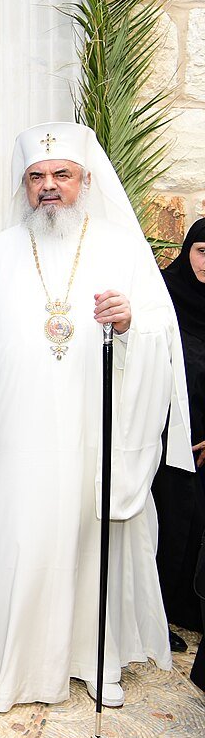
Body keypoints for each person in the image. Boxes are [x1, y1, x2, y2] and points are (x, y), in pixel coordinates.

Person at [0, 122, 193, 711]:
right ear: (23, 185)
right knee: (19, 534)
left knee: (89, 539)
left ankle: (94, 657)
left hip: (89, 431)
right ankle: (4, 656)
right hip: (14, 435)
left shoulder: (121, 246)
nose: (48, 187)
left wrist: (131, 323)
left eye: (61, 175)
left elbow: (163, 333)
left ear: (85, 180)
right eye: (36, 177)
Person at [156, 221, 205, 652]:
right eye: (202, 251)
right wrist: (180, 429)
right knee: (171, 526)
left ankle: (192, 607)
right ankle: (160, 613)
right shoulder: (164, 296)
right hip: (172, 434)